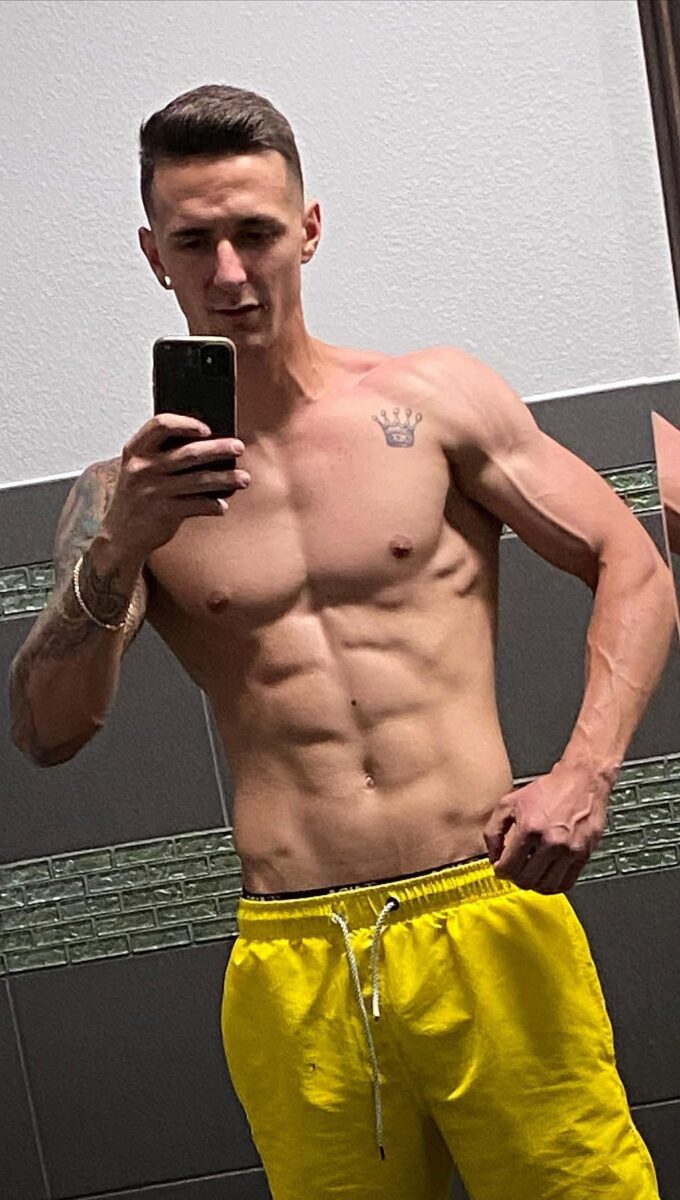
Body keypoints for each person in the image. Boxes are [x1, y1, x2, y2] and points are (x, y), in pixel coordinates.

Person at [9, 84, 675, 1200]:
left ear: (309, 229)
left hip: (484, 913)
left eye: (256, 233)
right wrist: (123, 545)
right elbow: (45, 732)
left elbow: (633, 564)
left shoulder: (435, 401)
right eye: (194, 242)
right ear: (153, 255)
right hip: (297, 954)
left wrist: (585, 772)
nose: (230, 273)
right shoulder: (123, 498)